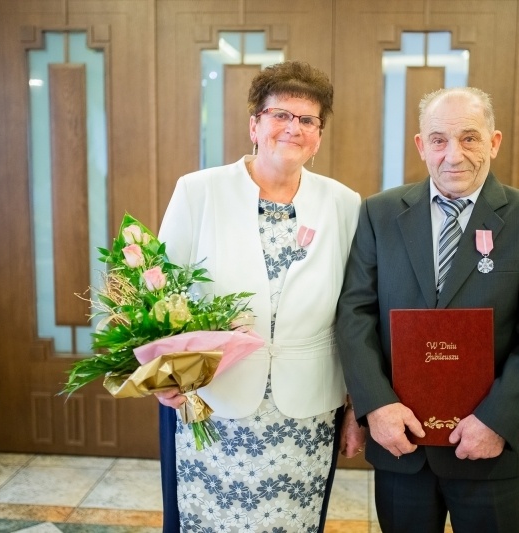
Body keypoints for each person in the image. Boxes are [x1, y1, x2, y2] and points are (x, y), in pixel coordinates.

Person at [336, 86, 519, 533]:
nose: (453, 155)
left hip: (489, 448)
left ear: (494, 142)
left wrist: (497, 421)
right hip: (401, 444)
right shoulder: (379, 214)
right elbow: (354, 315)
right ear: (421, 146)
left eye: (469, 138)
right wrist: (376, 406)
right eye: (439, 140)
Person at [155, 60, 366, 533]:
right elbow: (159, 290)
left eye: (307, 119)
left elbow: (357, 311)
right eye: (280, 115)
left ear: (318, 135)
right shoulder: (199, 191)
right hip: (212, 398)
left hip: (307, 409)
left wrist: (358, 405)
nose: (293, 128)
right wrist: (162, 375)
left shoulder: (344, 203)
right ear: (255, 125)